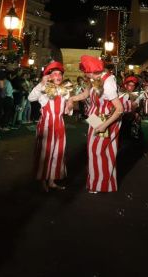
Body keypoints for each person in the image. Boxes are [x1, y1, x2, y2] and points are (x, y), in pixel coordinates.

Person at [70, 55, 124, 193]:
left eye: (86, 72)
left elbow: (119, 109)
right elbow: (86, 94)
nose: (84, 74)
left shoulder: (108, 82)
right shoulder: (93, 79)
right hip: (95, 117)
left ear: (93, 71)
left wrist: (104, 125)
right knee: (93, 151)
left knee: (100, 152)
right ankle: (96, 183)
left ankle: (102, 184)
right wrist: (72, 98)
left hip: (106, 118)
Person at [27, 61, 81, 192]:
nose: (58, 76)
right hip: (46, 124)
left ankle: (52, 181)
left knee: (58, 153)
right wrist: (42, 83)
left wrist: (69, 106)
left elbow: (68, 107)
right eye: (55, 73)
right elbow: (30, 98)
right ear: (49, 76)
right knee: (45, 153)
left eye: (60, 74)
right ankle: (43, 181)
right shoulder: (44, 88)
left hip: (59, 124)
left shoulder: (65, 90)